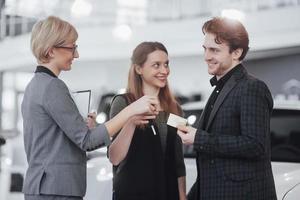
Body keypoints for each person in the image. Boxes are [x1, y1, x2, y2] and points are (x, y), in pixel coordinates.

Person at [22, 16, 158, 200]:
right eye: (72, 48)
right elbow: (87, 141)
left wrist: (90, 130)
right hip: (56, 190)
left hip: (45, 187)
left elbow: (61, 141)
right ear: (51, 50)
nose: (76, 55)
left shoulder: (35, 85)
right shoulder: (52, 87)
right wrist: (130, 110)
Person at [177, 17, 277, 200]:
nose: (206, 56)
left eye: (214, 50)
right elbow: (213, 164)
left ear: (236, 52)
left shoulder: (251, 87)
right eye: (205, 49)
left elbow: (256, 145)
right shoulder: (222, 88)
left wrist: (199, 138)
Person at [108, 42, 186, 200]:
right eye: (156, 65)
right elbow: (115, 157)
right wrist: (131, 123)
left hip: (167, 192)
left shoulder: (175, 109)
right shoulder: (124, 103)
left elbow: (178, 160)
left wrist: (182, 196)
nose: (164, 71)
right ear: (138, 69)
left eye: (166, 64)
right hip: (133, 192)